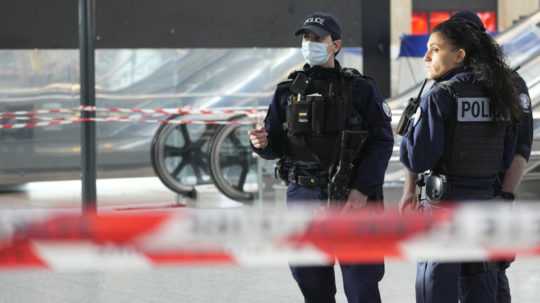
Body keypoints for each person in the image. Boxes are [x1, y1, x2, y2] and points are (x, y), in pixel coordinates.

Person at [249, 12, 393, 303]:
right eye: (306, 37)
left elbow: (382, 142)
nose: (309, 43)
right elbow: (276, 145)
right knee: (311, 283)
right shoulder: (287, 92)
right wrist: (261, 144)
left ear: (335, 45)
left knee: (362, 285)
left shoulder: (361, 89)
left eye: (317, 38)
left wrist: (362, 190)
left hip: (355, 199)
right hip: (304, 195)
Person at [398, 17, 521, 303]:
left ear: (459, 55)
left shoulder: (441, 95)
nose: (426, 56)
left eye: (435, 49)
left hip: (444, 210)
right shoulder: (501, 94)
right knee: (481, 290)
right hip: (485, 209)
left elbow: (417, 158)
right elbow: (508, 154)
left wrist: (411, 130)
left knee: (435, 289)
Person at [450, 11, 534, 303]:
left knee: (491, 270)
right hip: (454, 197)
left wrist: (505, 195)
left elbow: (522, 147)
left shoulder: (510, 84)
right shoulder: (446, 84)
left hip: (491, 192)